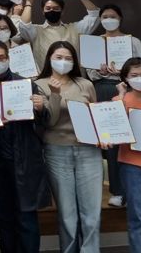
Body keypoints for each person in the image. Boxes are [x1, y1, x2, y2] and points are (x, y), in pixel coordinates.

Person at [0, 40, 51, 253]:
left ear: (8, 58)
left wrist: (40, 108)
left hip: (23, 160)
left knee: (26, 218)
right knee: (2, 218)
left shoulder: (25, 83)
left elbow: (43, 122)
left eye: (1, 58)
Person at [36, 41, 101, 252]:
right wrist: (55, 94)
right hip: (56, 150)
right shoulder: (40, 84)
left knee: (91, 213)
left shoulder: (85, 84)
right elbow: (50, 121)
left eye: (68, 58)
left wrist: (103, 135)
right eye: (58, 57)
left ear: (74, 61)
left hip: (88, 150)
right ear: (49, 59)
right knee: (67, 213)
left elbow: (95, 117)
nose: (63, 62)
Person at [87, 4, 141, 207]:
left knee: (133, 136)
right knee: (111, 138)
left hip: (129, 89)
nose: (109, 19)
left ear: (120, 18)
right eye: (105, 16)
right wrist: (101, 72)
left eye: (113, 16)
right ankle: (117, 191)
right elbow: (89, 72)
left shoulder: (132, 41)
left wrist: (124, 72)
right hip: (102, 88)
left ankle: (133, 189)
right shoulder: (93, 43)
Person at [18, 0, 100, 69]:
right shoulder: (36, 31)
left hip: (74, 79)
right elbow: (24, 26)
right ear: (43, 11)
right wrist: (28, 2)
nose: (52, 10)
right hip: (46, 80)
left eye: (56, 8)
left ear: (62, 12)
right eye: (48, 8)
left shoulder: (75, 28)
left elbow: (95, 15)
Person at [113, 57, 141, 251]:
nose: (139, 79)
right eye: (134, 75)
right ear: (125, 78)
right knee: (137, 214)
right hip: (131, 164)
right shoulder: (119, 101)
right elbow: (114, 129)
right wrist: (122, 96)